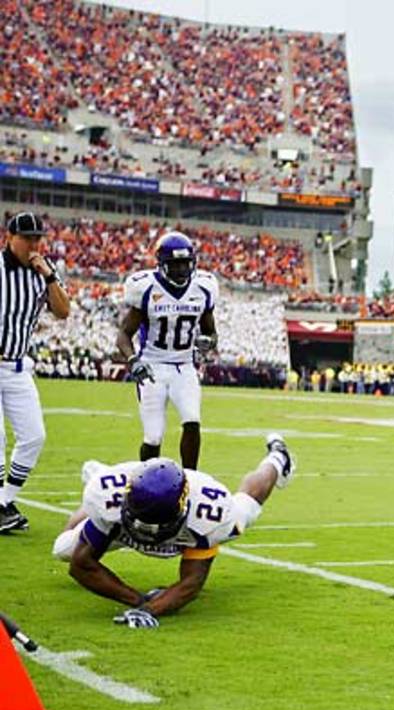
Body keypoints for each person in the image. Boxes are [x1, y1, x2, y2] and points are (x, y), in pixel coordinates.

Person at [51, 435, 294, 628]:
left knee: (246, 508)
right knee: (62, 549)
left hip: (180, 515)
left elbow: (190, 584)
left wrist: (150, 610)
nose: (148, 533)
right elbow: (81, 565)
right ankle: (98, 477)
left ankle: (278, 459)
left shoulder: (210, 515)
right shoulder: (108, 500)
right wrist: (138, 600)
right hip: (123, 516)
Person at [116, 231, 219, 470]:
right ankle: (147, 485)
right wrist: (133, 360)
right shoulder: (146, 289)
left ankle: (191, 481)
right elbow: (123, 334)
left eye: (186, 264)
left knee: (192, 421)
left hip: (184, 366)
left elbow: (210, 332)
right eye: (175, 264)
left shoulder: (203, 288)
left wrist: (208, 342)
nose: (182, 270)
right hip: (152, 366)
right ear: (162, 265)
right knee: (153, 437)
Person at [0, 212, 71, 532]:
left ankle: (4, 501)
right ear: (9, 237)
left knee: (34, 436)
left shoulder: (41, 272)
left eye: (37, 238)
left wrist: (50, 275)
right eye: (26, 237)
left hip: (17, 367)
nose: (32, 243)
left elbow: (63, 311)